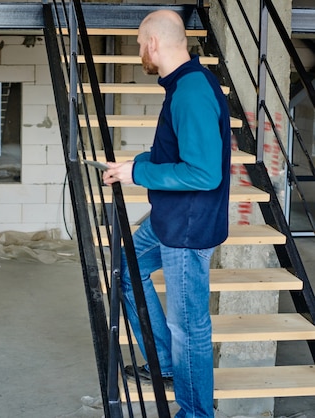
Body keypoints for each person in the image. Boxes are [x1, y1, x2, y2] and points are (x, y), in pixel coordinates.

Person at [102, 10, 231, 418]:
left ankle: (194, 413)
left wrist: (139, 171)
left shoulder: (191, 91)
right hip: (169, 220)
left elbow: (204, 172)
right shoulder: (184, 86)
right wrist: (136, 164)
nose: (140, 50)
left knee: (189, 328)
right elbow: (176, 155)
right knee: (125, 268)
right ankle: (165, 362)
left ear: (154, 43)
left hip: (186, 231)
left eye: (141, 42)